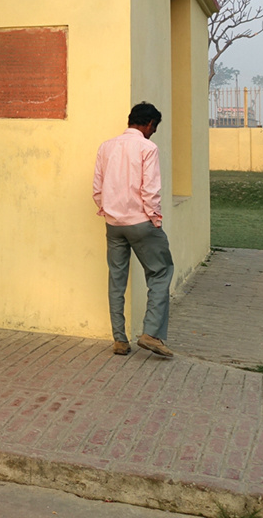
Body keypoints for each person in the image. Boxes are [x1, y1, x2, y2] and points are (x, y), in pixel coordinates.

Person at [92, 101, 175, 358]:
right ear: (149, 124)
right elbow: (150, 189)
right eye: (154, 128)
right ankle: (151, 334)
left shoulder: (106, 147)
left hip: (113, 224)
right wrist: (155, 219)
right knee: (160, 273)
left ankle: (119, 340)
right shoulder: (147, 147)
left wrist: (108, 210)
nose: (153, 132)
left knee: (117, 280)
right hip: (141, 222)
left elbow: (97, 188)